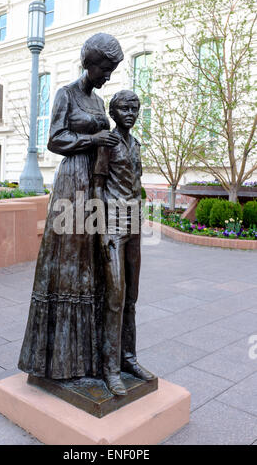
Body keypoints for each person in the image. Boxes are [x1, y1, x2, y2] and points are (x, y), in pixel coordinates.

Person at [18, 33, 124, 380]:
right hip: (72, 183)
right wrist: (92, 140)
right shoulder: (66, 94)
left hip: (96, 184)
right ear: (88, 63)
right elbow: (54, 139)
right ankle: (59, 361)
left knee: (89, 264)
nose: (107, 75)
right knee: (69, 261)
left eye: (112, 71)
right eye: (105, 69)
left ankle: (88, 358)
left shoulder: (98, 102)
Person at [94, 90, 156, 396]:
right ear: (114, 113)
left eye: (134, 108)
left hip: (134, 226)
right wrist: (102, 230)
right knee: (115, 298)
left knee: (131, 297)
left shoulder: (136, 145)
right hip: (113, 226)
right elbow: (97, 186)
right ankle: (110, 369)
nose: (130, 113)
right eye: (123, 108)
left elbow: (137, 184)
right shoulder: (109, 142)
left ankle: (129, 359)